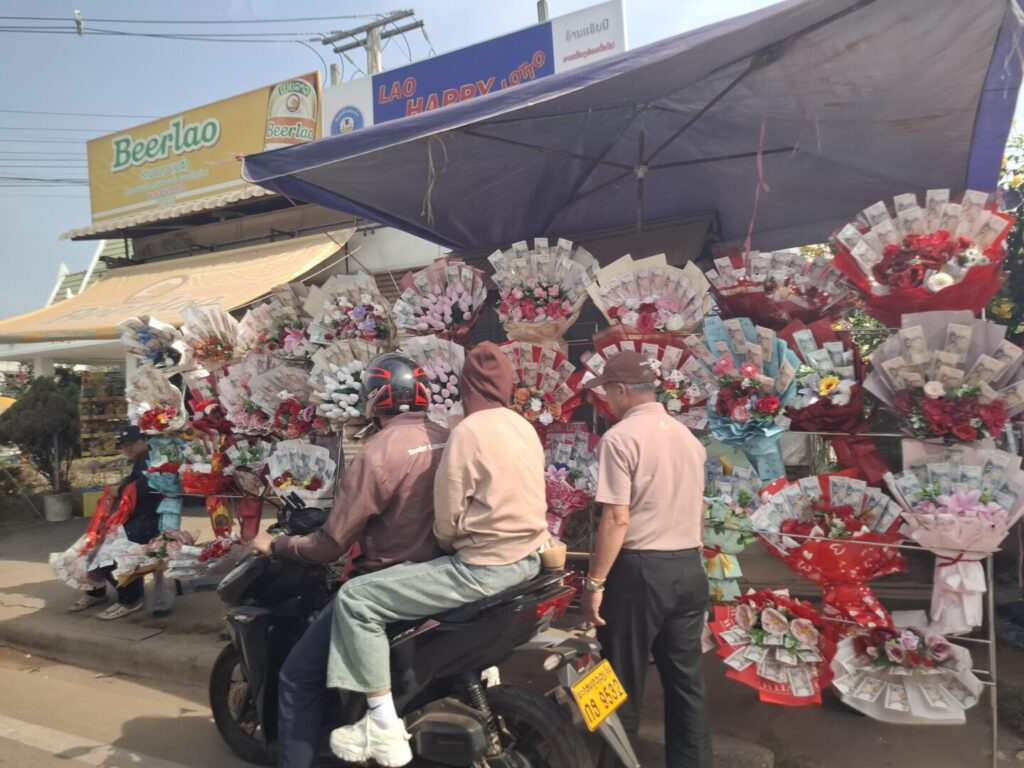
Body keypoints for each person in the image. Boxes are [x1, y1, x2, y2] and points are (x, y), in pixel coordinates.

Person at [326, 341, 548, 768]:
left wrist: (443, 546)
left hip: (484, 568)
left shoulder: (466, 431)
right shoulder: (522, 426)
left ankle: (382, 726)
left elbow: (447, 521)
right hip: (529, 562)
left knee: (356, 600)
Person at [250, 353, 450, 768]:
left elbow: (329, 546)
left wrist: (280, 546)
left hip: (387, 584)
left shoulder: (377, 453)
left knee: (296, 675)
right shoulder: (446, 435)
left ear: (375, 399)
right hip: (444, 576)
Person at [580, 351, 711, 768]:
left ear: (621, 390)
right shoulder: (689, 439)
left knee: (618, 681)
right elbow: (700, 511)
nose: (607, 400)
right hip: (688, 567)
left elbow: (617, 517)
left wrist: (594, 583)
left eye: (607, 392)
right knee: (686, 685)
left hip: (640, 572)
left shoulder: (621, 439)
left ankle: (613, 762)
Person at [68, 425, 162, 620]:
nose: (127, 449)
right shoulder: (140, 459)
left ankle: (131, 600)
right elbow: (133, 482)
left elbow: (145, 489)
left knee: (108, 554)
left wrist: (119, 491)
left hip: (147, 520)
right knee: (92, 546)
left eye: (131, 444)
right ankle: (96, 592)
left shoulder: (150, 458)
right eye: (124, 445)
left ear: (143, 440)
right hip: (134, 518)